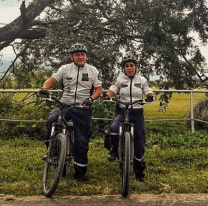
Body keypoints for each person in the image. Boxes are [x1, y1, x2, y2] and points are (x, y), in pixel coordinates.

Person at [39, 43, 102, 181]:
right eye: (77, 54)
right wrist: (44, 88)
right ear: (72, 56)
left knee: (81, 141)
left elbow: (98, 89)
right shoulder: (65, 69)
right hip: (65, 105)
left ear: (86, 56)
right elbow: (51, 80)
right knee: (51, 121)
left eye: (82, 54)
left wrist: (91, 99)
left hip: (83, 108)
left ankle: (80, 174)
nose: (80, 57)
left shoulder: (92, 70)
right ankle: (53, 152)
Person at [103, 52, 154, 182]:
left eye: (132, 65)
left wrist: (149, 96)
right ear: (124, 68)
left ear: (136, 67)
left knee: (139, 143)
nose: (129, 68)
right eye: (127, 66)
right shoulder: (120, 79)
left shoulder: (142, 80)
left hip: (137, 113)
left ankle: (139, 174)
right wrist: (108, 96)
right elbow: (113, 89)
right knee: (114, 130)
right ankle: (114, 150)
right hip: (122, 111)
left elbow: (148, 90)